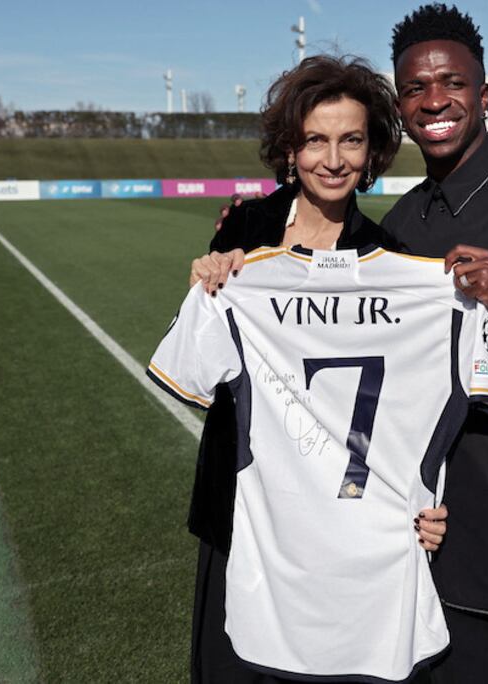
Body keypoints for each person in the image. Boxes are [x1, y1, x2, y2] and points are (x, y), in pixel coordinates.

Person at [208, 5, 488, 681]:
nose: (434, 100)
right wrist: (243, 243)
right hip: (433, 540)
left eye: (451, 82)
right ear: (400, 104)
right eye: (415, 88)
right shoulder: (399, 226)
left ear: (483, 95)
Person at [182, 54, 450, 683]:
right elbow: (208, 357)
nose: (333, 159)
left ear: (373, 150)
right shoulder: (246, 227)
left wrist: (429, 499)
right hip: (244, 512)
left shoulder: (395, 261)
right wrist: (207, 276)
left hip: (344, 530)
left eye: (351, 139)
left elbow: (417, 401)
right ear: (290, 148)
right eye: (315, 141)